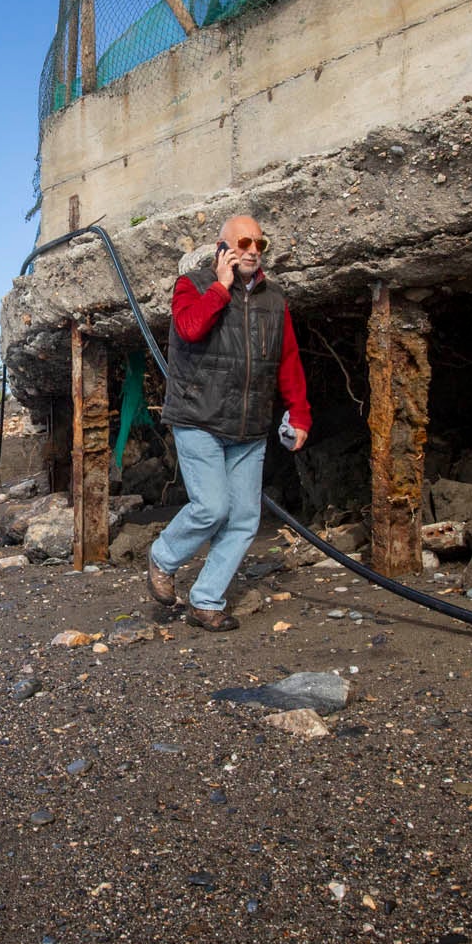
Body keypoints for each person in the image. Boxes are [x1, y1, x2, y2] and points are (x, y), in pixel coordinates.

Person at [146, 214, 311, 631]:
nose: (253, 250)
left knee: (243, 520)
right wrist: (220, 288)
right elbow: (189, 327)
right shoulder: (193, 286)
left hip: (249, 428)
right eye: (243, 242)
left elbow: (287, 359)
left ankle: (205, 601)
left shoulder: (275, 300)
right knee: (211, 507)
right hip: (198, 418)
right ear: (223, 247)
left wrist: (300, 412)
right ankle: (163, 558)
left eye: (260, 243)